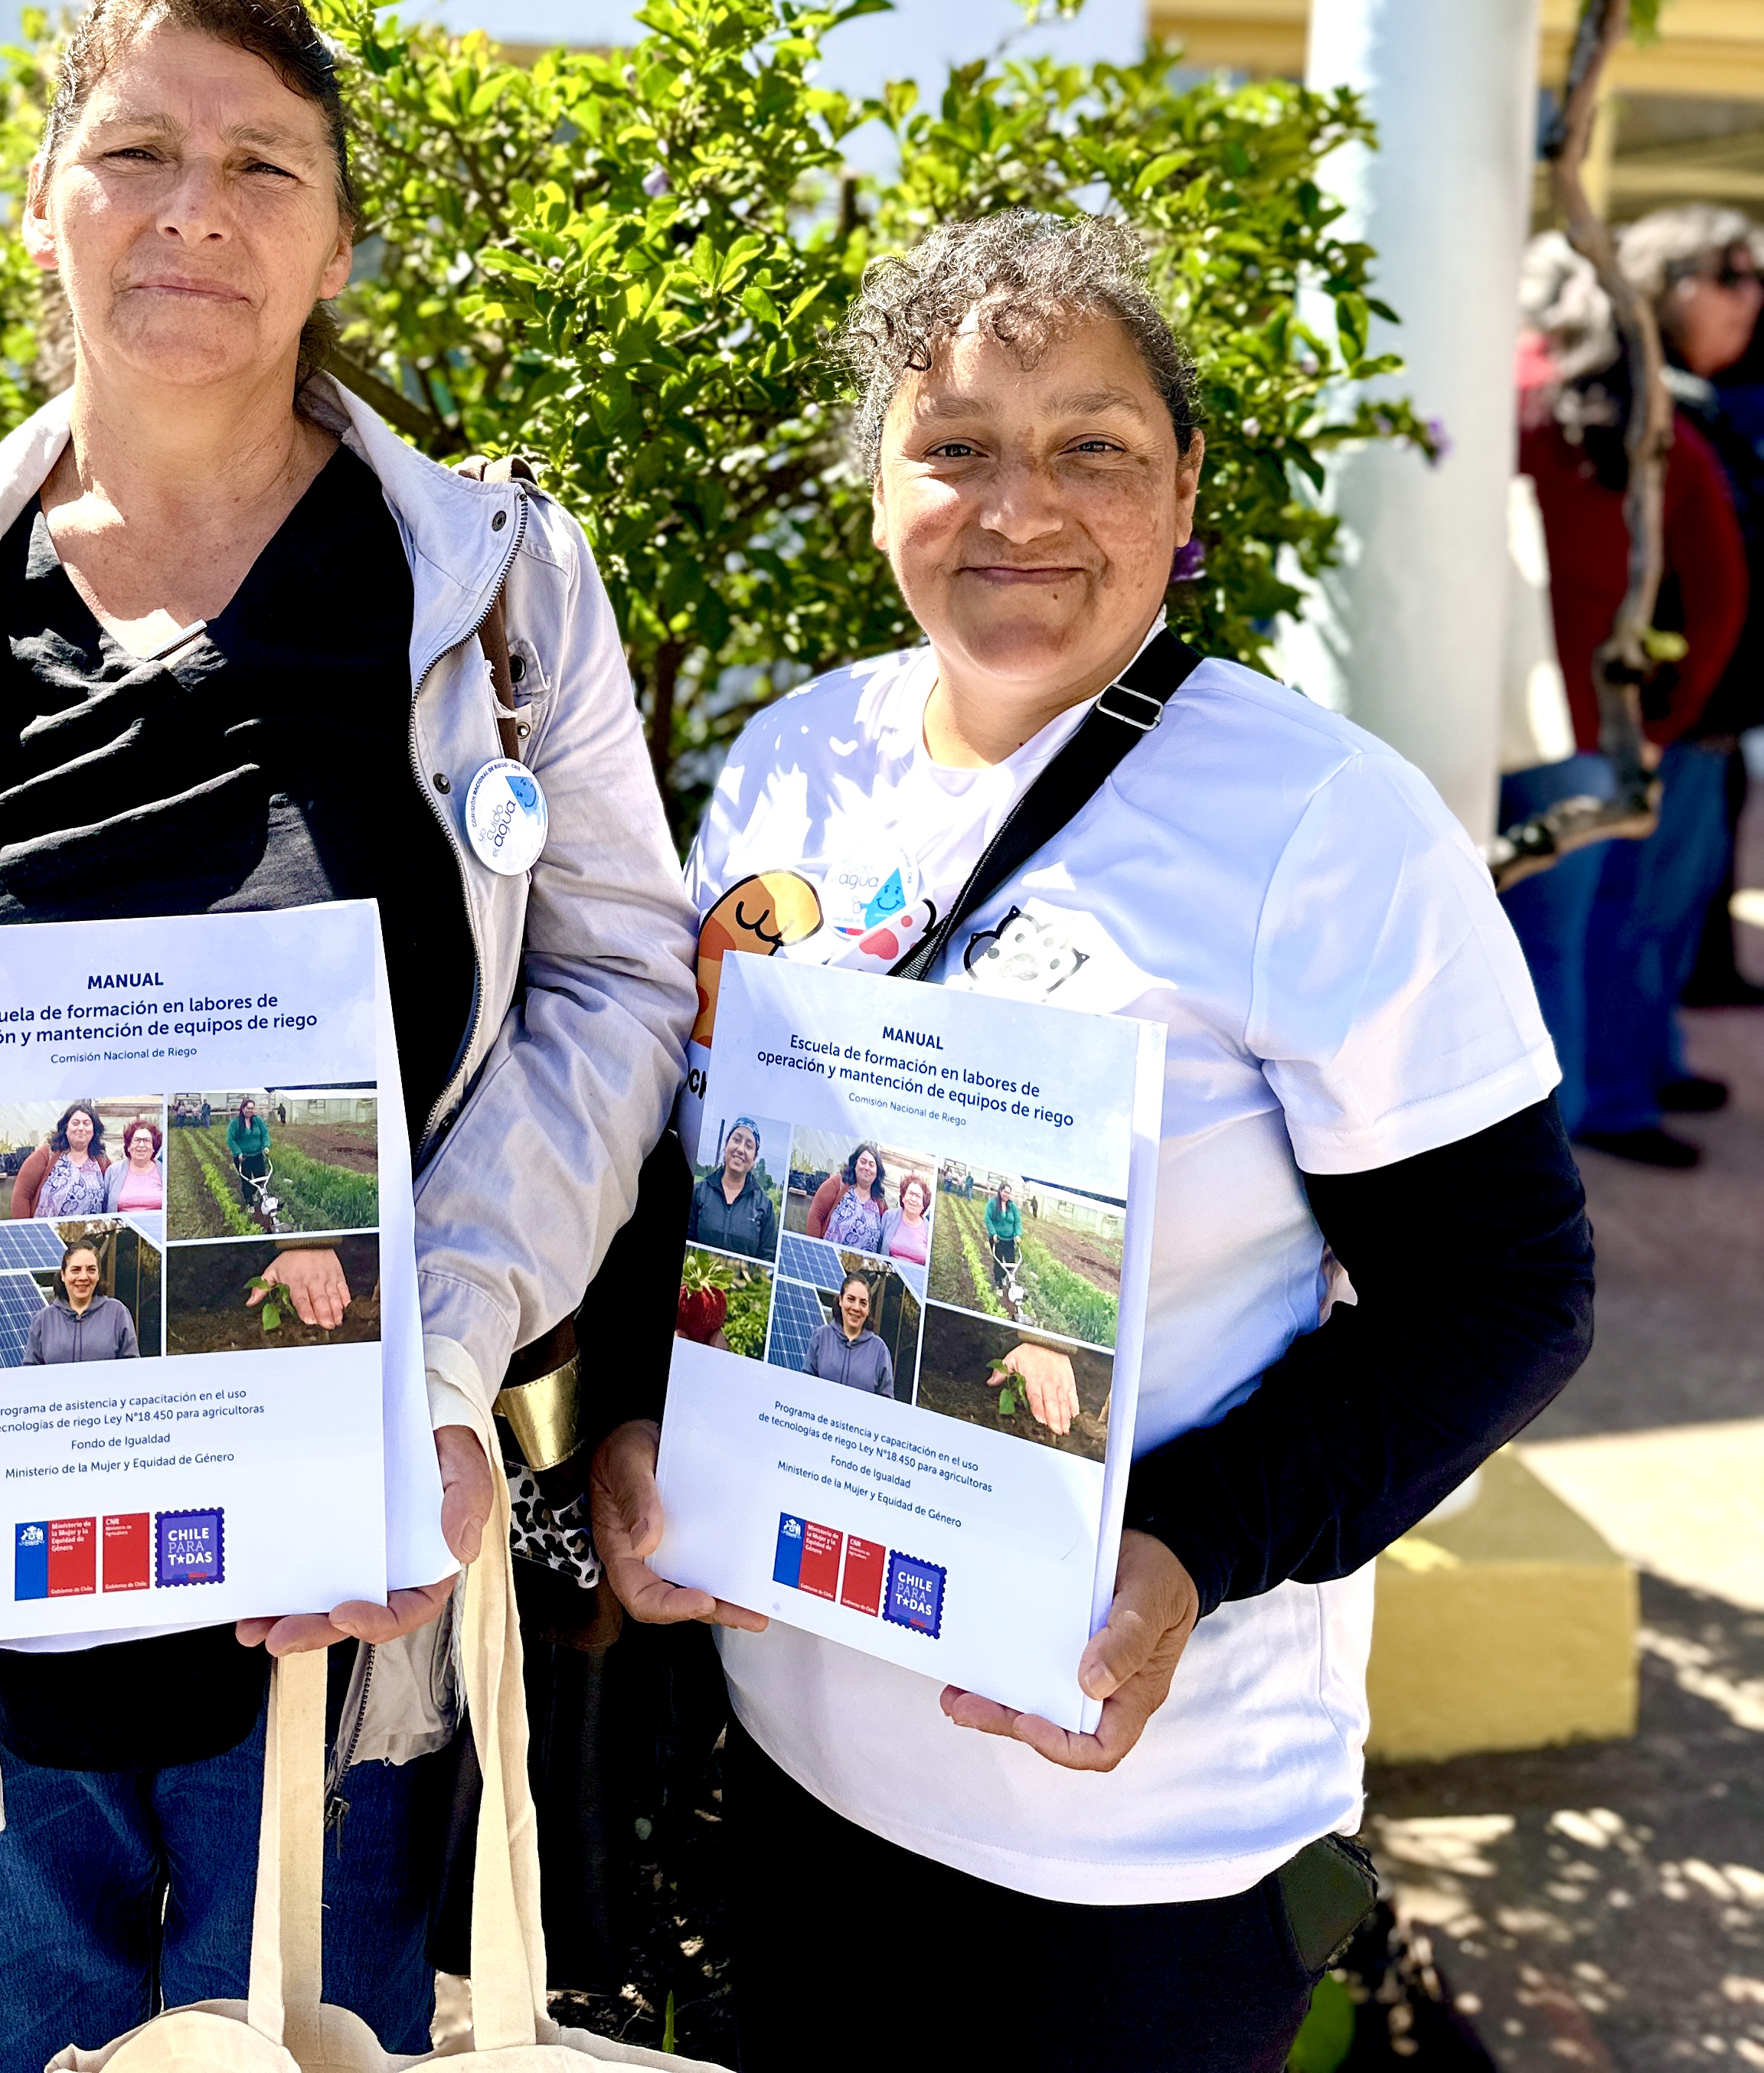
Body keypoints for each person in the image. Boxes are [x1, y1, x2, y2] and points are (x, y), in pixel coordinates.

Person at [0, 0, 697, 2073]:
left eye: (266, 165)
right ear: (43, 201)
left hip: (327, 1611)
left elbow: (615, 985)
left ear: (342, 234)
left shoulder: (497, 591)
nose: (195, 209)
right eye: (138, 149)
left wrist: (444, 1371)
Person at [586, 208, 1592, 2072]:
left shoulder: (1320, 827)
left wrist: (1191, 1547)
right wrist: (645, 1423)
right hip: (802, 1760)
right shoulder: (794, 759)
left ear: (1187, 483)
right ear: (876, 481)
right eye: (954, 446)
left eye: (1091, 447)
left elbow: (1506, 1295)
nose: (1016, 506)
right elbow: (697, 1164)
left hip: (1134, 1845)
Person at [1510, 228, 1748, 1166]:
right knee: (1569, 951)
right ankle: (1548, 1191)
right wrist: (1667, 720)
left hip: (1491, 728)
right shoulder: (1658, 433)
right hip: (1601, 736)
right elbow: (1723, 590)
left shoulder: (1505, 409)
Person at [25, 1242, 139, 1363]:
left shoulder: (117, 1313)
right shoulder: (43, 1320)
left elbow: (132, 1369)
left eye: (91, 1270)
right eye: (76, 1270)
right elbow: (30, 1373)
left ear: (98, 1275)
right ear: (63, 1275)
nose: (83, 1277)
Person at [689, 1116, 779, 1258]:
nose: (741, 1149)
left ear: (754, 1159)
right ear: (726, 1145)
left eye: (749, 1146)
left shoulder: (764, 1206)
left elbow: (767, 1256)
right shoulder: (699, 1192)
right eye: (736, 1140)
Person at [801, 1270, 894, 1396]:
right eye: (851, 1299)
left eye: (863, 1303)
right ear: (841, 1300)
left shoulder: (880, 1350)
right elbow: (804, 1387)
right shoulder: (821, 1336)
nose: (856, 1307)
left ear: (868, 1309)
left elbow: (886, 1405)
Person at [13, 1102, 110, 1219]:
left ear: (94, 1130)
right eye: (75, 1123)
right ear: (66, 1128)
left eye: (86, 1123)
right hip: (48, 1233)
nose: (81, 1128)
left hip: (88, 1235)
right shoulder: (46, 1155)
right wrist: (25, 1231)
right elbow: (22, 1195)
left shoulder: (101, 1160)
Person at [813, 1141, 891, 1251]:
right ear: (855, 1164)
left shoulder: (880, 1202)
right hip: (829, 1259)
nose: (867, 1168)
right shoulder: (837, 1184)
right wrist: (815, 1250)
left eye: (872, 1165)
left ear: (877, 1171)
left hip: (863, 1266)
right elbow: (816, 1216)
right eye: (863, 1162)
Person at [103, 1118, 166, 1219]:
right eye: (136, 1140)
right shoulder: (113, 1171)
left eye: (146, 1141)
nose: (141, 1145)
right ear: (128, 1146)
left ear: (154, 1147)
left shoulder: (165, 1172)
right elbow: (104, 1207)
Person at [227, 1095, 273, 1210]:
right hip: (243, 1158)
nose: (250, 1110)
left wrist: (266, 1146)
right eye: (248, 1108)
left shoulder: (257, 1120)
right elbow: (230, 1140)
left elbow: (265, 1134)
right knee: (247, 1181)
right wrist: (238, 1153)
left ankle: (255, 1194)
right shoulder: (235, 1123)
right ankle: (250, 1204)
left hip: (257, 1155)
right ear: (243, 1109)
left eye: (252, 1108)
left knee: (261, 1179)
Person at [885, 1170, 933, 1268]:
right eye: (910, 1193)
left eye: (918, 1196)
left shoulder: (929, 1230)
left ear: (924, 1203)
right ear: (903, 1197)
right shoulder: (889, 1217)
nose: (913, 1199)